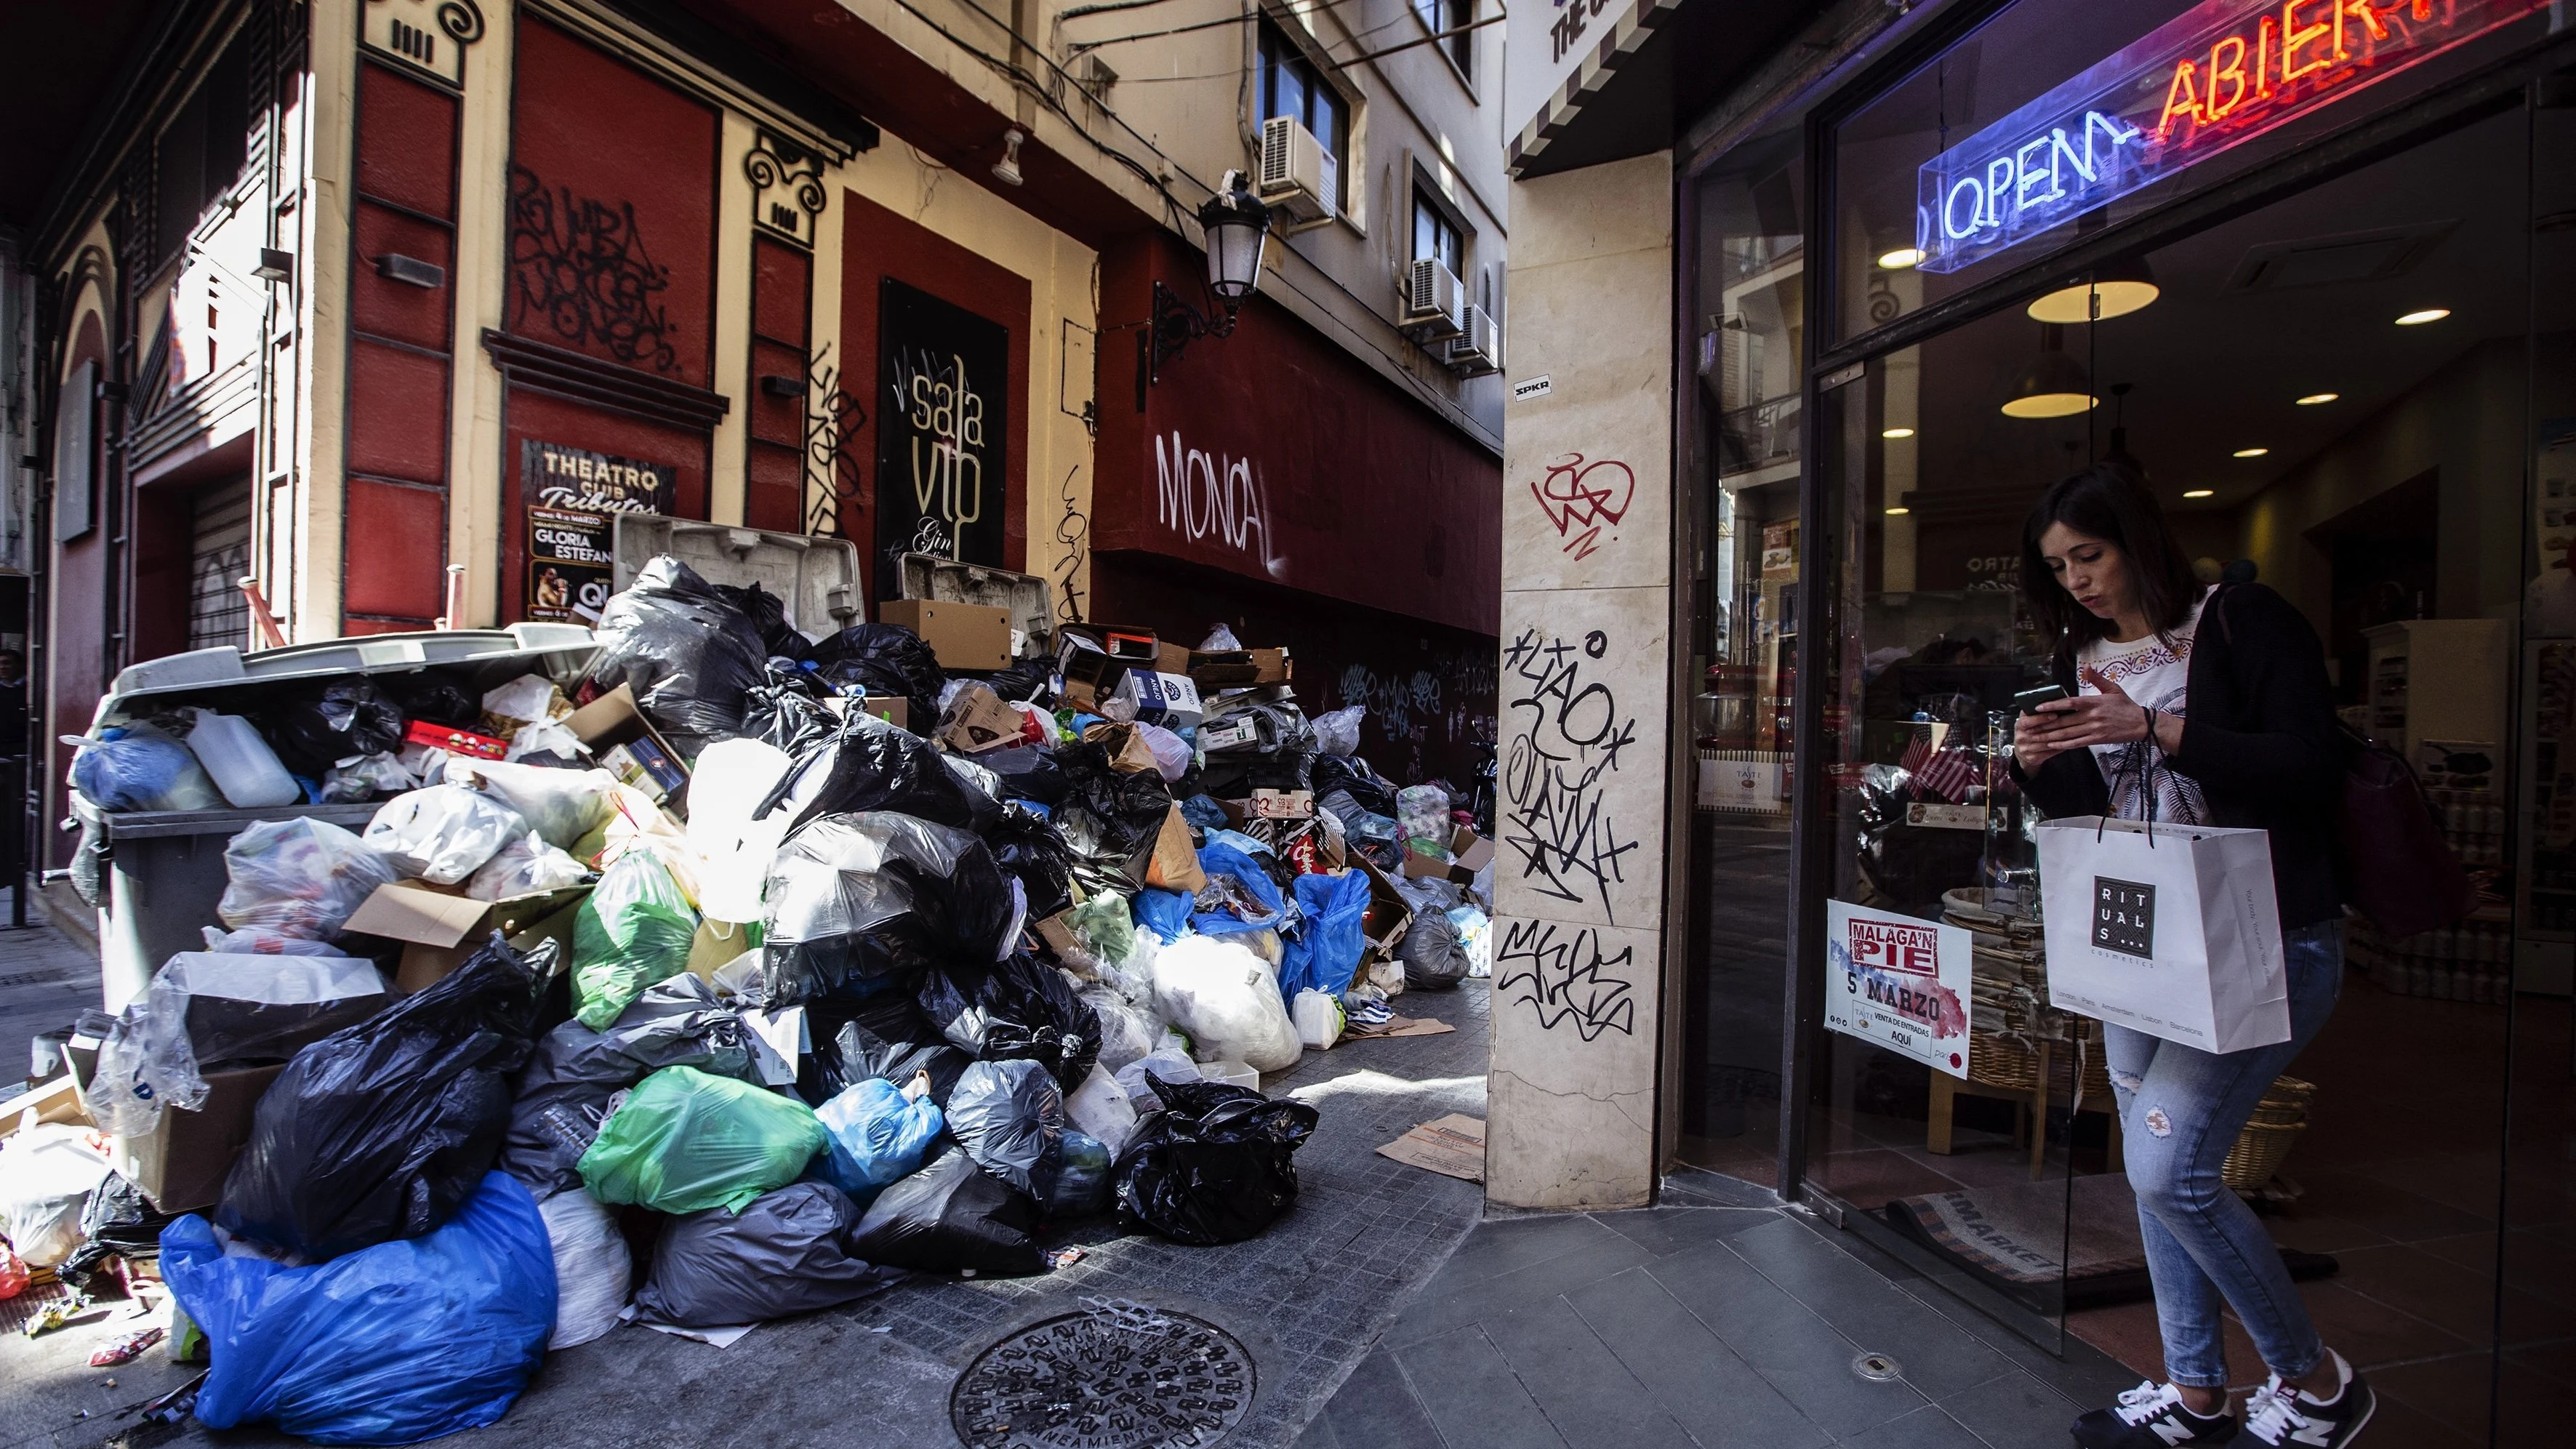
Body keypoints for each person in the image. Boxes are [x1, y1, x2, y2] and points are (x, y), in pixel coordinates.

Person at [2008, 463, 2370, 1449]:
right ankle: (2195, 1392)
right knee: (2151, 1168)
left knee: (2173, 1173)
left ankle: (2316, 1382)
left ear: (2136, 540)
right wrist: (2041, 769)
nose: (2077, 579)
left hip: (2264, 939)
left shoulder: (2239, 621)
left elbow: (2309, 762)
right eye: (2058, 565)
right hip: (2141, 944)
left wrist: (2157, 726)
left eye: (2089, 554)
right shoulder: (2078, 652)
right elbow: (2095, 814)